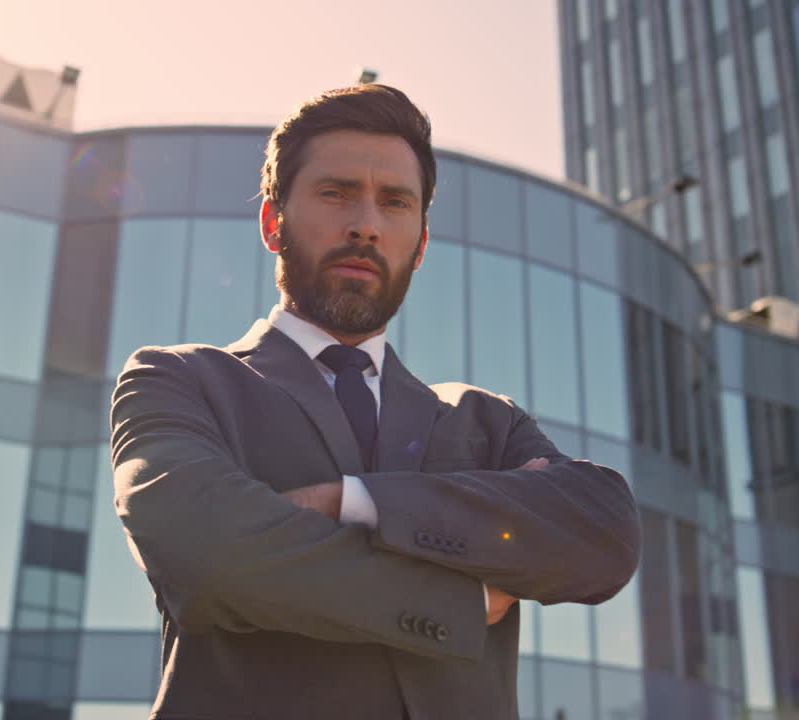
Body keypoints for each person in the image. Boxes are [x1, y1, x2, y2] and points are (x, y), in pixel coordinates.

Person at [110, 84, 640, 720]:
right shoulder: (178, 382)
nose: (365, 223)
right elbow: (207, 557)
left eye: (395, 202)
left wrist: (351, 501)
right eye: (335, 193)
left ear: (418, 245)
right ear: (272, 222)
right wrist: (463, 600)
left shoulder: (485, 422)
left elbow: (603, 533)